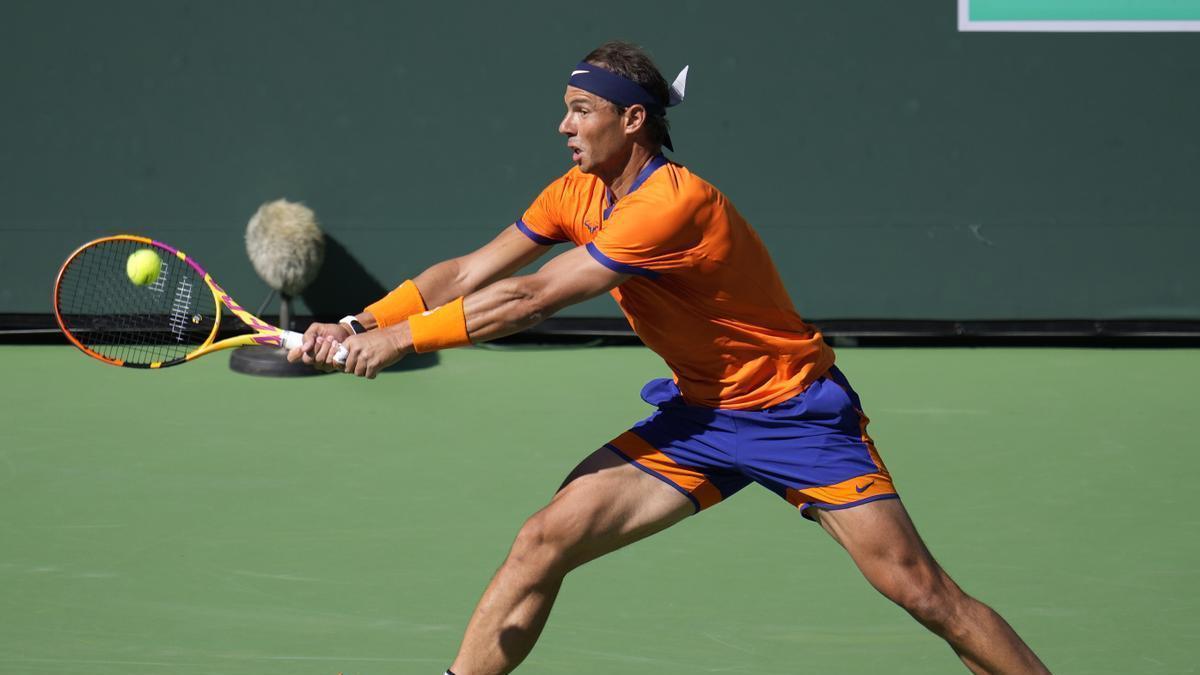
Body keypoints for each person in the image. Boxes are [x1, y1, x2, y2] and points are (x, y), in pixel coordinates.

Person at [289, 41, 1050, 675]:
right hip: (702, 418)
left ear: (632, 119)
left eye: (580, 110)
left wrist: (399, 342)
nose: (563, 125)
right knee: (543, 538)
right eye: (565, 108)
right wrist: (363, 318)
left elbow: (533, 298)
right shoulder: (576, 191)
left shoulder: (672, 203)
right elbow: (467, 271)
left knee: (921, 592)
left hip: (794, 413)